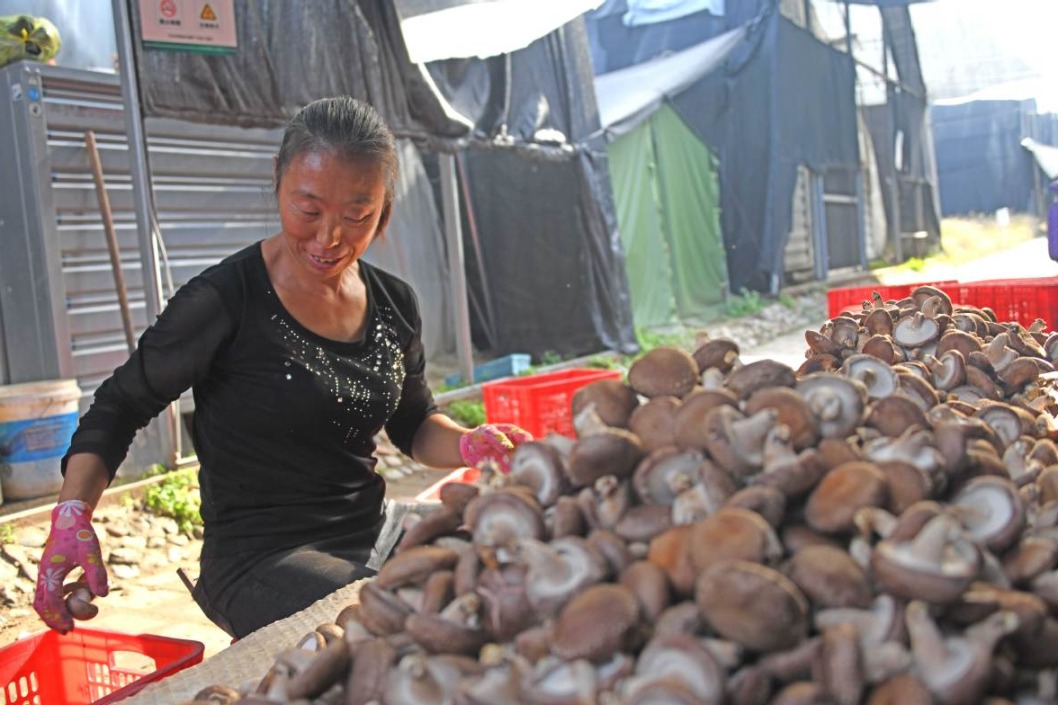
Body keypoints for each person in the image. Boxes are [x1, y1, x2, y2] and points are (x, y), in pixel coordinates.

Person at [32, 96, 531, 638]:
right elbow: (119, 405)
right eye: (308, 210)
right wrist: (72, 515)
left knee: (516, 562)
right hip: (260, 562)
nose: (329, 238)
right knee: (399, 625)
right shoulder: (226, 299)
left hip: (372, 533)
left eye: (357, 216)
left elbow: (414, 422)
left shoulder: (394, 302)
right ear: (278, 181)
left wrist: (468, 444)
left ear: (384, 205)